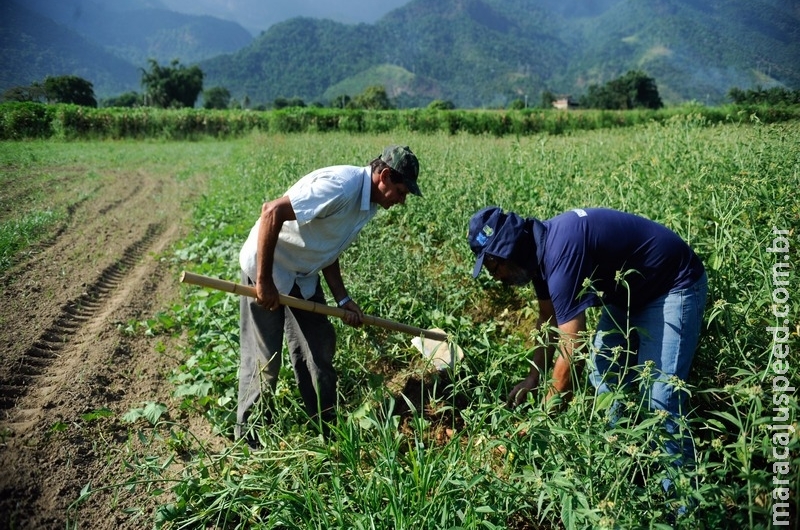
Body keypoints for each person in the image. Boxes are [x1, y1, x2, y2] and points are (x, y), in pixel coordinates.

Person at [467, 206, 707, 471]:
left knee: (661, 401)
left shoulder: (561, 253)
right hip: (626, 295)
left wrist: (538, 422)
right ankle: (623, 463)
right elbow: (548, 319)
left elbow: (573, 350)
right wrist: (533, 377)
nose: (495, 277)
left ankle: (679, 503)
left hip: (672, 285)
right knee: (604, 373)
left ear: (507, 250)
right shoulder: (537, 254)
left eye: (492, 266)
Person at [236, 145, 422, 442]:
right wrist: (264, 281)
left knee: (318, 348)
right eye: (401, 192)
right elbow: (272, 211)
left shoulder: (367, 204)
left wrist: (343, 299)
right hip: (268, 267)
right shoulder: (341, 187)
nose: (401, 201)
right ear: (384, 176)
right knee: (264, 360)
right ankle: (249, 437)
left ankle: (325, 428)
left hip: (303, 274)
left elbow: (328, 247)